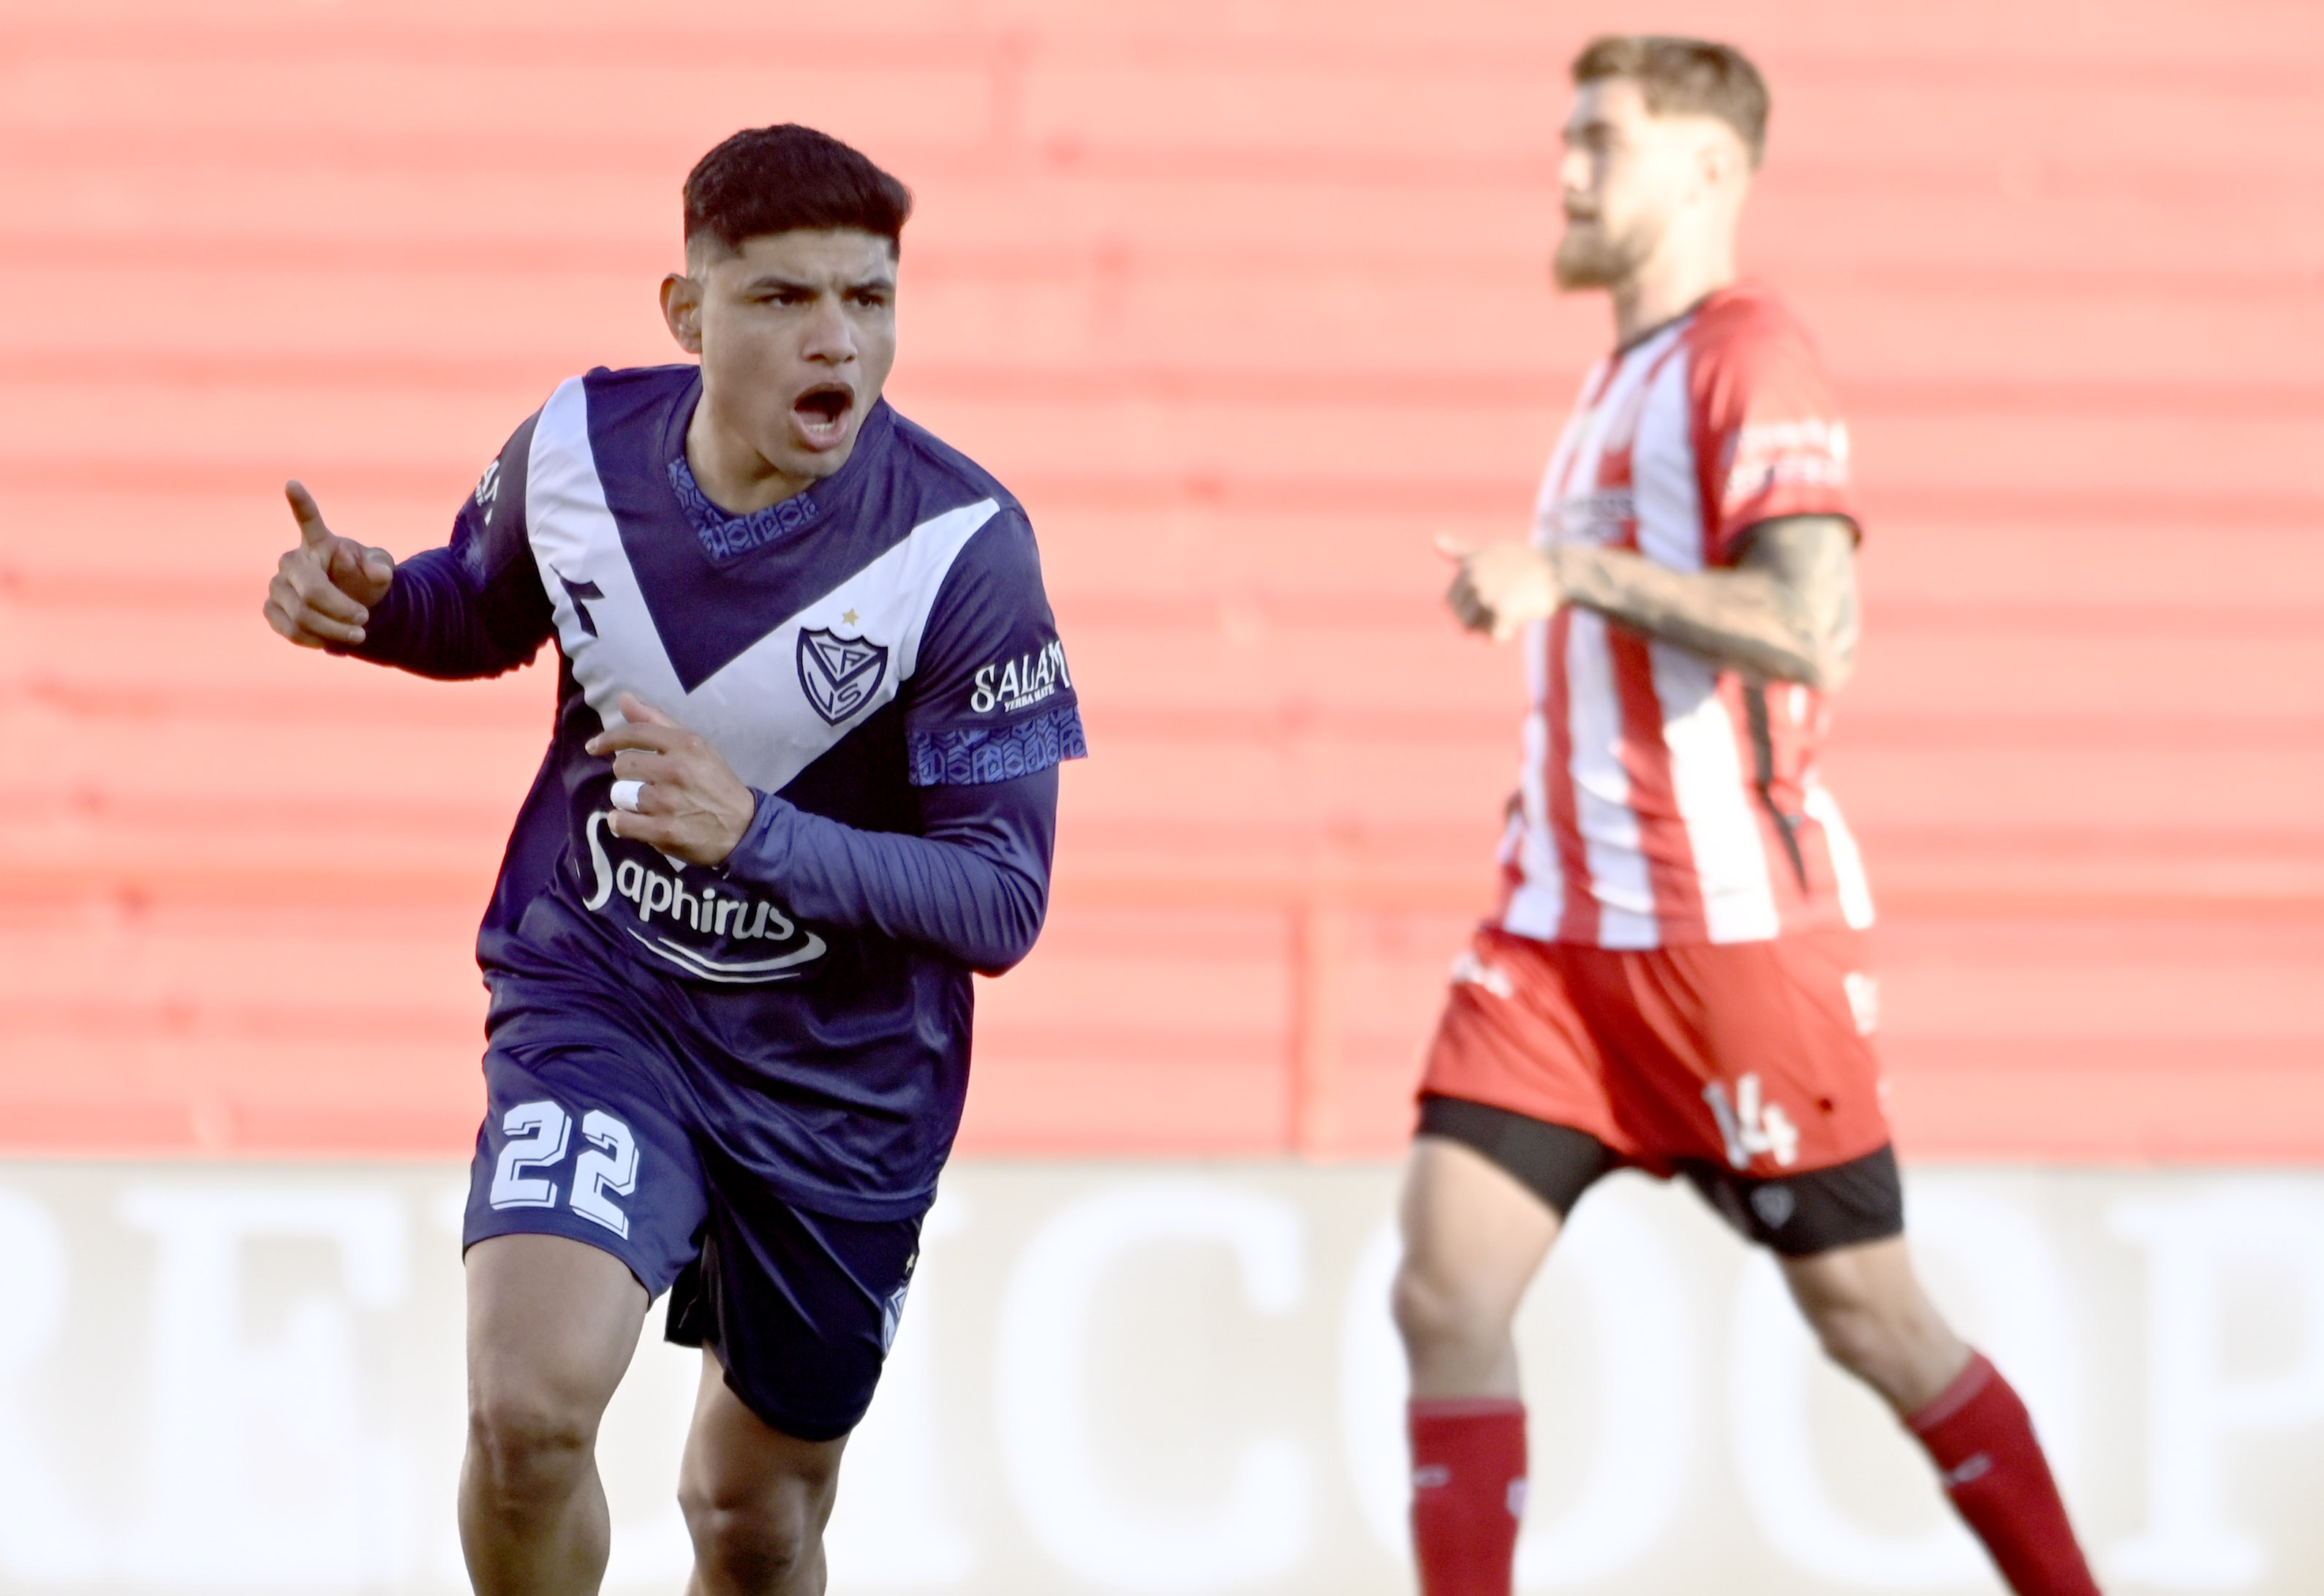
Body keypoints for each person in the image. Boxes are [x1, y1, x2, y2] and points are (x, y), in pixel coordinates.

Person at [262, 124, 1084, 1596]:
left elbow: (999, 899)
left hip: (839, 1078)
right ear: (686, 310)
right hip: (604, 989)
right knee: (524, 1420)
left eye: (870, 298)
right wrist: (379, 607)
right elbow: (488, 610)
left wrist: (755, 833)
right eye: (782, 300)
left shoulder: (962, 550)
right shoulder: (574, 446)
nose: (836, 339)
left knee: (750, 1524)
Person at [1398, 37, 2100, 1596]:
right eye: (1564, 135)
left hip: (1725, 945)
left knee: (1872, 1322)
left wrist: (1564, 572)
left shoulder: (1748, 357)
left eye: (1602, 140)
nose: (1566, 169)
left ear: (1708, 168)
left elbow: (1810, 628)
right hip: (1555, 947)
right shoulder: (1614, 379)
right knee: (1442, 1282)